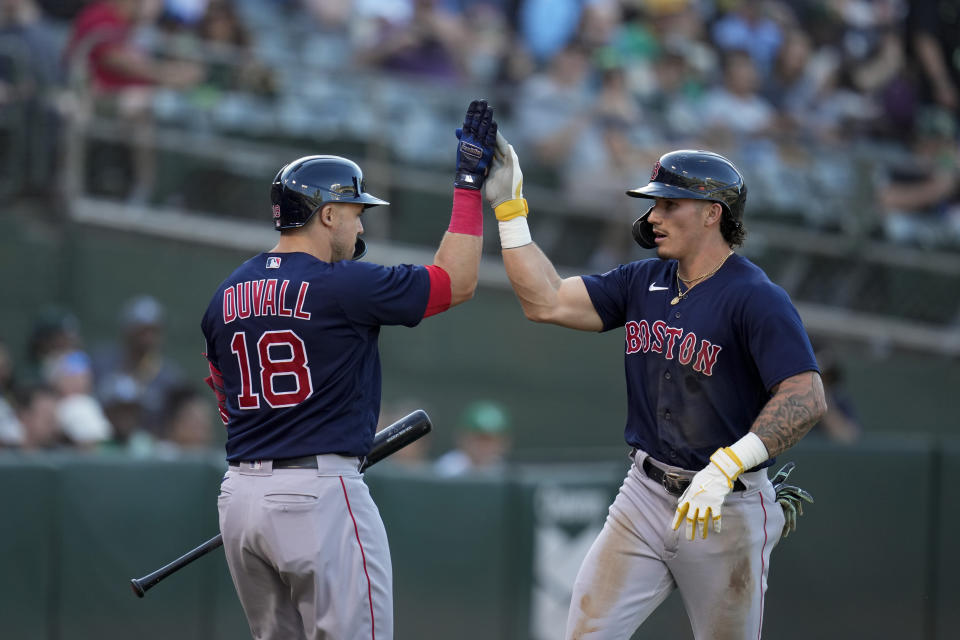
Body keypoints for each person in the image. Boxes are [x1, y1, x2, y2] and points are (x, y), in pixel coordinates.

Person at [481, 138, 826, 639]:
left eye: (669, 204)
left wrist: (728, 464)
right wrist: (510, 210)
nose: (654, 216)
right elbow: (547, 301)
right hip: (643, 495)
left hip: (726, 507)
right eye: (654, 204)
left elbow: (807, 395)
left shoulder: (756, 297)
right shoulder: (644, 280)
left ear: (713, 213)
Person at [201, 99, 497, 640]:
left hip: (240, 500)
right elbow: (457, 281)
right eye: (356, 210)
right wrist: (468, 185)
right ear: (327, 214)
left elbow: (225, 397)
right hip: (318, 492)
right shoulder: (343, 285)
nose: (360, 221)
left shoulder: (225, 292)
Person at [433, 399, 512, 477]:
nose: (485, 446)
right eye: (479, 439)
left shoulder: (505, 472)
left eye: (492, 440)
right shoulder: (446, 470)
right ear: (462, 438)